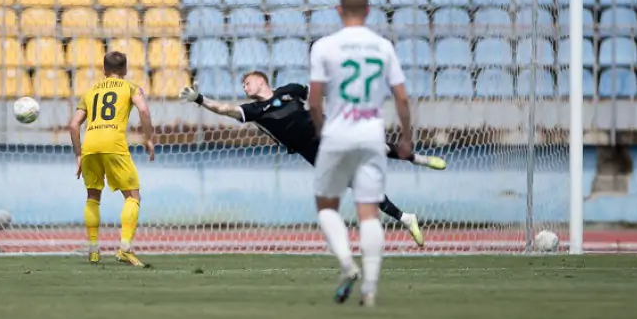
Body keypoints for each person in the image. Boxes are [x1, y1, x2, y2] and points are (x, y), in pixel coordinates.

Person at [180, 72, 444, 247]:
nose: (244, 88)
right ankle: (405, 218)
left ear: (260, 80)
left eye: (247, 82)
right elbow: (225, 109)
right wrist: (199, 99)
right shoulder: (254, 111)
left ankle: (417, 159)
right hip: (313, 152)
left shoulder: (290, 90)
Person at [308, 0, 414, 307]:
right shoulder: (383, 47)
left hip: (337, 133)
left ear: (339, 10)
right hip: (371, 136)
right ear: (369, 10)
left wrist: (321, 130)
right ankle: (370, 287)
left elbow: (314, 101)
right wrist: (406, 138)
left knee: (326, 205)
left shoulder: (324, 46)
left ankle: (347, 264)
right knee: (369, 212)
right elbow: (401, 97)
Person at [68, 52, 155, 267]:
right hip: (113, 144)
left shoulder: (90, 92)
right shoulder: (131, 87)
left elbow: (74, 125)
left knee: (92, 196)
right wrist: (148, 138)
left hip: (90, 145)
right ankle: (124, 248)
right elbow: (144, 110)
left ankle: (93, 250)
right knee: (133, 196)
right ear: (125, 70)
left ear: (104, 70)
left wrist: (78, 154)